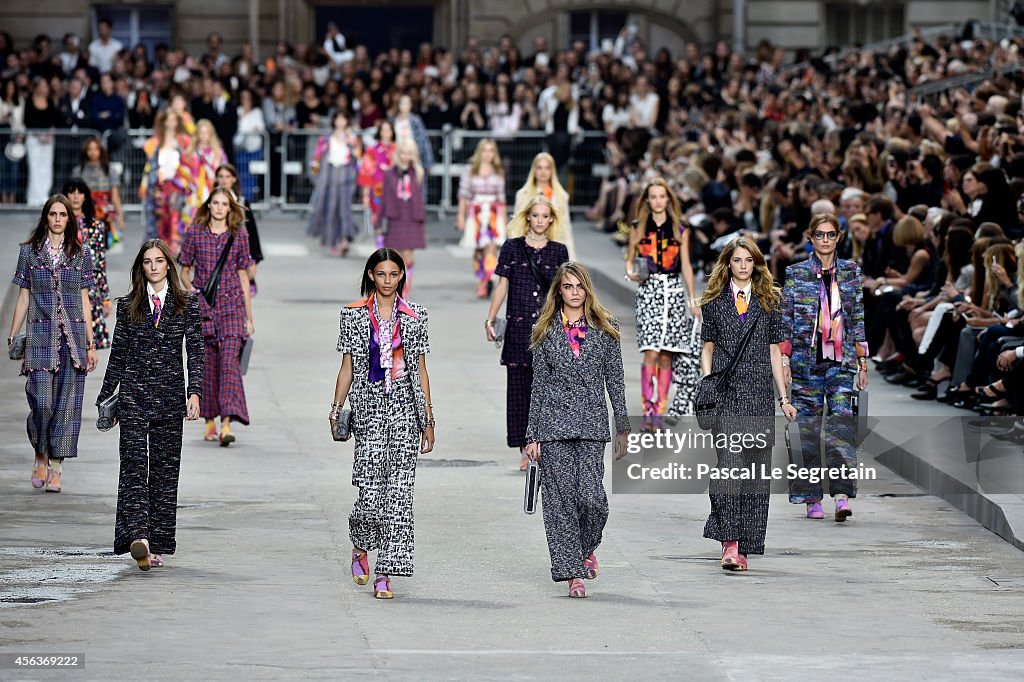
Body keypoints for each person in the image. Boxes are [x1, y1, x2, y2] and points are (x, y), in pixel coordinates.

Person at [331, 248, 435, 600]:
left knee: (400, 495)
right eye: (382, 274)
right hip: (369, 410)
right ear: (371, 276)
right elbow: (347, 367)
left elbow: (420, 370)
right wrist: (336, 408)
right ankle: (360, 545)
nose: (388, 280)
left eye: (394, 274)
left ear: (402, 276)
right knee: (371, 494)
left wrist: (429, 419)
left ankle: (385, 574)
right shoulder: (354, 315)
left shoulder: (416, 315)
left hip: (406, 410)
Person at [97, 239, 204, 571]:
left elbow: (196, 353)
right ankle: (139, 536)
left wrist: (195, 392)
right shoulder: (129, 305)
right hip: (133, 396)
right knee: (133, 466)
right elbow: (117, 356)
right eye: (147, 261)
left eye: (159, 261)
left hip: (171, 397)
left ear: (169, 266)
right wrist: (105, 397)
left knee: (164, 471)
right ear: (140, 267)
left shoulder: (188, 304)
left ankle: (153, 544)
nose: (154, 266)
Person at [525, 262, 630, 598]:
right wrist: (532, 434)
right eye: (567, 287)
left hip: (592, 425)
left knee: (592, 498)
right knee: (560, 503)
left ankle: (585, 548)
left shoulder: (606, 327)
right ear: (559, 292)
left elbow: (615, 380)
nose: (573, 293)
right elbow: (538, 384)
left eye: (579, 287)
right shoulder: (544, 330)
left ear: (587, 290)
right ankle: (573, 573)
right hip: (553, 426)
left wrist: (623, 427)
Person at [699, 237, 796, 571]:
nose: (743, 266)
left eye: (749, 260)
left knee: (755, 472)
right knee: (728, 467)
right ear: (728, 264)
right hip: (726, 395)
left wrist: (783, 398)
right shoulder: (712, 302)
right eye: (737, 260)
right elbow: (707, 348)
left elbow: (774, 351)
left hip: (757, 395)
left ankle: (746, 543)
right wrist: (708, 385)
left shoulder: (770, 302)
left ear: (756, 264)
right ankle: (729, 541)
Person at [8, 195, 99, 493]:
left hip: (71, 340)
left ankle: (56, 467)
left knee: (66, 407)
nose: (58, 219)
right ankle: (40, 454)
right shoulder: (29, 253)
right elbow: (23, 296)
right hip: (39, 338)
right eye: (53, 214)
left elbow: (85, 298)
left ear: (69, 220)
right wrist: (12, 334)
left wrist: (91, 342)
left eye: (63, 214)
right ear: (45, 218)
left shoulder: (81, 254)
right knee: (42, 402)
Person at [781, 213, 869, 521]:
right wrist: (783, 359)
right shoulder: (796, 273)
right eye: (820, 235)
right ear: (810, 237)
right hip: (806, 362)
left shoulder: (851, 272)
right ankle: (810, 497)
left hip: (841, 361)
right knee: (807, 430)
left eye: (831, 234)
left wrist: (862, 359)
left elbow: (857, 316)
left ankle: (842, 494)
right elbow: (787, 319)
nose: (826, 240)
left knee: (841, 426)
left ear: (838, 237)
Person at [486, 194, 570, 469]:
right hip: (519, 326)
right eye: (535, 215)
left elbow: (565, 292)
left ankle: (542, 442)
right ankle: (525, 448)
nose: (540, 221)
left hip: (549, 329)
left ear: (551, 220)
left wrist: (572, 325)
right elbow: (502, 285)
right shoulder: (511, 248)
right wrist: (491, 317)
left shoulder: (559, 251)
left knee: (547, 390)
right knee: (519, 389)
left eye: (545, 216)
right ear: (527, 217)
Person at [179, 188, 254, 446]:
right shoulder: (194, 234)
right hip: (205, 306)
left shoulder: (239, 235)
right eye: (216, 203)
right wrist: (192, 291)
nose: (220, 208)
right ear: (208, 206)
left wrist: (248, 316)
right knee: (208, 363)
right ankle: (209, 419)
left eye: (225, 204)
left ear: (230, 208)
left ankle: (226, 423)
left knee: (229, 361)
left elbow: (244, 275)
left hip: (232, 306)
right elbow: (184, 270)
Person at [626, 179, 701, 430]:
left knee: (667, 355)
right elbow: (630, 261)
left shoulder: (680, 229)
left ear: (668, 199)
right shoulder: (637, 227)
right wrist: (633, 274)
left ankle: (658, 411)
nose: (658, 200)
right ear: (647, 200)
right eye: (653, 196)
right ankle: (649, 413)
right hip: (648, 292)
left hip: (673, 292)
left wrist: (692, 300)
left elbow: (687, 266)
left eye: (662, 196)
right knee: (650, 351)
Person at [63, 177, 110, 349]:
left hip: (90, 288)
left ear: (85, 197)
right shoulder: (59, 224)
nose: (75, 196)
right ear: (65, 196)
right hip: (64, 287)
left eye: (79, 192)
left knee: (88, 343)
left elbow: (100, 263)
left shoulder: (95, 226)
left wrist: (106, 298)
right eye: (71, 192)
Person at [456, 138, 507, 298]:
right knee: (478, 250)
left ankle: (486, 281)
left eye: (491, 150)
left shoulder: (498, 171)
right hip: (476, 212)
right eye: (485, 150)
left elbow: (501, 199)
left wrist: (504, 223)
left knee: (491, 247)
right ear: (480, 152)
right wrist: (460, 216)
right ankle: (481, 281)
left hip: (493, 213)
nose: (488, 154)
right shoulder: (469, 169)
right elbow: (463, 195)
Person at [140, 109, 195, 255]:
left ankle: (176, 249)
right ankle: (159, 249)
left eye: (173, 119)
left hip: (177, 186)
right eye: (168, 119)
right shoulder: (155, 142)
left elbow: (189, 164)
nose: (171, 123)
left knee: (176, 218)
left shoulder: (184, 141)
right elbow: (150, 166)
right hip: (158, 186)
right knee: (159, 219)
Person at [308, 112, 360, 257]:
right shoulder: (327, 137)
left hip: (346, 174)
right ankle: (334, 240)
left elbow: (358, 154)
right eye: (338, 118)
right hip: (330, 173)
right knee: (331, 208)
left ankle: (345, 239)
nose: (341, 121)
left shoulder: (351, 136)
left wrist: (351, 143)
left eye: (343, 118)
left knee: (344, 208)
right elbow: (317, 156)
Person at [377, 139, 426, 293]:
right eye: (403, 153)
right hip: (395, 214)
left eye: (409, 153)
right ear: (398, 154)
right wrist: (379, 222)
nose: (406, 156)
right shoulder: (389, 173)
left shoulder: (418, 173)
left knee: (408, 255)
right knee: (395, 256)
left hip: (411, 215)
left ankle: (404, 287)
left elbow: (420, 197)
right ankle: (397, 285)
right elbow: (384, 198)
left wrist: (420, 217)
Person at [514, 152, 575, 259]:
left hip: (554, 250)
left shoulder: (561, 196)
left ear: (552, 171)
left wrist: (571, 258)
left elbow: (566, 228)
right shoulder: (523, 195)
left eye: (547, 168)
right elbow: (516, 226)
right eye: (539, 168)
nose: (543, 172)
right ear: (534, 170)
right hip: (528, 250)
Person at [214, 163, 264, 295]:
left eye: (228, 176)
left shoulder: (241, 203)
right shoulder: (209, 203)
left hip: (238, 256)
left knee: (240, 295)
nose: (224, 180)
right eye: (221, 176)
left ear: (234, 179)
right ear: (216, 179)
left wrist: (254, 260)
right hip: (216, 255)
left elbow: (252, 233)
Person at [71, 136, 124, 246]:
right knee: (83, 244)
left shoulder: (110, 171)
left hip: (104, 214)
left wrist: (119, 216)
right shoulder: (78, 171)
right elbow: (72, 196)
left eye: (96, 149)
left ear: (101, 151)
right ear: (85, 151)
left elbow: (115, 197)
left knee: (102, 245)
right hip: (84, 212)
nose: (93, 152)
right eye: (90, 149)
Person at [358, 120, 396, 235]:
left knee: (394, 216)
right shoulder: (372, 150)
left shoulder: (398, 150)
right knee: (377, 215)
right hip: (377, 188)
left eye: (388, 130)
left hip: (394, 188)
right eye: (383, 130)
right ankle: (380, 244)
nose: (385, 133)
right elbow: (365, 172)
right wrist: (365, 194)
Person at [188, 118, 229, 216]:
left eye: (207, 132)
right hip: (196, 190)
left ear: (211, 134)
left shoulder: (218, 152)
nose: (204, 135)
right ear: (197, 134)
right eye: (201, 132)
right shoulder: (191, 152)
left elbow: (225, 169)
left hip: (214, 189)